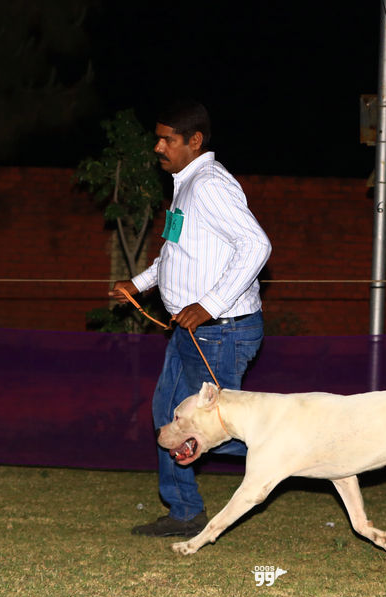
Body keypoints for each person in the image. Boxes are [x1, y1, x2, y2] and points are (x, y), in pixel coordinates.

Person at [110, 99, 271, 537]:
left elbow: (256, 245)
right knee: (169, 416)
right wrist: (138, 284)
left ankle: (307, 451)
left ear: (194, 141)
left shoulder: (210, 185)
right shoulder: (186, 184)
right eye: (158, 138)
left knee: (226, 430)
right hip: (191, 331)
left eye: (168, 140)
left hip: (221, 331)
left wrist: (210, 305)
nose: (158, 147)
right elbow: (174, 254)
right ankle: (183, 512)